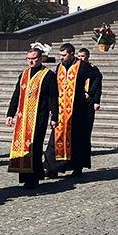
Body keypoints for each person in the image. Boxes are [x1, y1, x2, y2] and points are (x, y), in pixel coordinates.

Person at [45, 43, 102, 177]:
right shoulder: (59, 67)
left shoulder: (82, 66)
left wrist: (90, 93)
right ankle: (52, 168)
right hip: (60, 109)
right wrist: (51, 106)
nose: (61, 58)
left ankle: (77, 167)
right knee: (55, 137)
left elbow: (97, 76)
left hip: (77, 110)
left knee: (77, 139)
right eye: (60, 55)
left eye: (64, 55)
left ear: (71, 54)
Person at [5, 47, 58, 189]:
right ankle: (26, 176)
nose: (31, 61)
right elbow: (16, 95)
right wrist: (10, 114)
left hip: (38, 117)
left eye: (34, 58)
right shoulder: (24, 74)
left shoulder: (48, 75)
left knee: (34, 147)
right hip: (23, 117)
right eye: (28, 59)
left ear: (40, 59)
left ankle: (33, 178)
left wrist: (55, 115)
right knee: (24, 147)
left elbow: (53, 97)